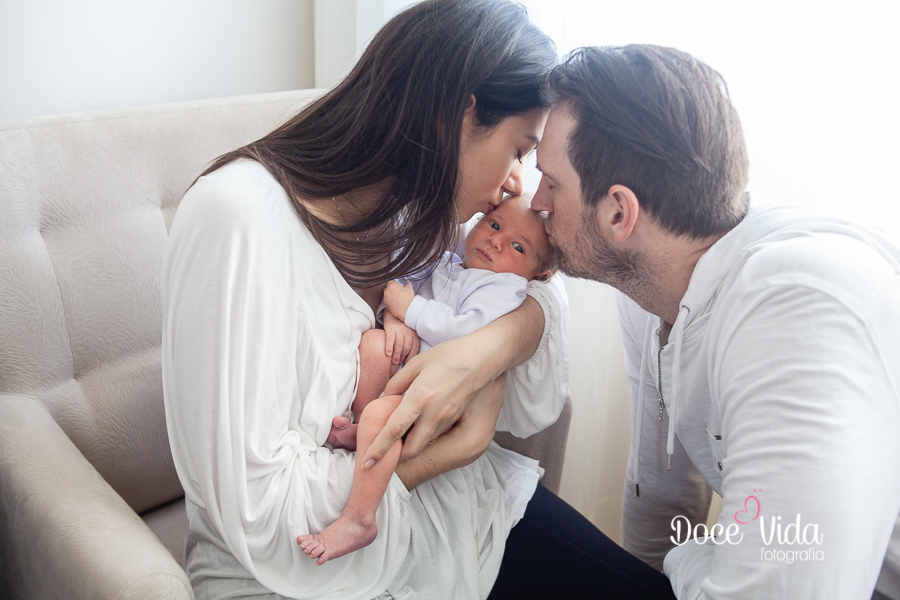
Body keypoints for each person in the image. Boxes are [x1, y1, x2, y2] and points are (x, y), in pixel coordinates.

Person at [161, 1, 574, 598]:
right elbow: (266, 523)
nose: (516, 185)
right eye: (517, 149)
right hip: (302, 570)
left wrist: (488, 348)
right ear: (458, 113)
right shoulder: (237, 220)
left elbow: (538, 328)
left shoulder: (412, 216)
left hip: (453, 517)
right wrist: (455, 446)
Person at [528, 44, 900, 599]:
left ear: (619, 212)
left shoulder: (793, 305)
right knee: (511, 516)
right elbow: (662, 493)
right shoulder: (649, 282)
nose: (535, 202)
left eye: (551, 183)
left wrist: (696, 555)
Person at [298, 193, 559, 565]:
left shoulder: (505, 291)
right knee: (374, 347)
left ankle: (359, 519)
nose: (496, 240)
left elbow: (466, 334)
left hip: (442, 397)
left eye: (517, 246)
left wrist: (411, 310)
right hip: (410, 371)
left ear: (538, 274)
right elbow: (400, 288)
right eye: (494, 224)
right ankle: (363, 432)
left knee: (381, 418)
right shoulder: (451, 262)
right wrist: (393, 320)